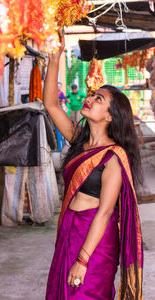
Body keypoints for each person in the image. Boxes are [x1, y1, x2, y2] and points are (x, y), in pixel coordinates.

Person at [43, 30, 143, 300]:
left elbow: (106, 211)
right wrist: (55, 58)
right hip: (69, 229)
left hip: (95, 240)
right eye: (93, 95)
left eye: (99, 99)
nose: (89, 99)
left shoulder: (114, 156)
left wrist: (84, 260)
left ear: (110, 116)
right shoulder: (79, 140)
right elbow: (51, 105)